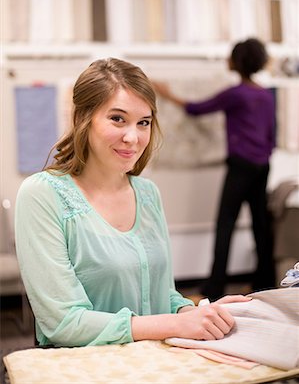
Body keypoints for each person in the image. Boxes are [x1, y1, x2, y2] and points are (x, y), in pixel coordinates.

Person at [15, 58, 249, 347]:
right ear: (81, 118)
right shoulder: (42, 195)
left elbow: (163, 295)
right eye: (117, 119)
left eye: (144, 123)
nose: (132, 137)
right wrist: (176, 323)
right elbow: (64, 323)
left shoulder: (148, 193)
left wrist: (199, 313)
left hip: (151, 366)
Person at [153, 38, 276, 300]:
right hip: (262, 165)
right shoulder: (265, 95)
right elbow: (271, 135)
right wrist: (262, 157)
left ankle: (214, 289)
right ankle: (264, 285)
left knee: (225, 225)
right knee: (261, 226)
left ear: (237, 62)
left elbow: (197, 109)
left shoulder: (236, 93)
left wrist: (167, 94)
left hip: (241, 166)